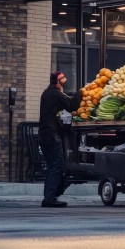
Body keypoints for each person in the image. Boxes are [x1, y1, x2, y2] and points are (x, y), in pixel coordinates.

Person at [39, 71, 82, 208]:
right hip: (50, 136)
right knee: (57, 165)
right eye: (63, 79)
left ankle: (49, 197)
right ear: (58, 81)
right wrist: (80, 93)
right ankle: (50, 198)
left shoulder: (48, 93)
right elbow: (71, 105)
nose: (65, 81)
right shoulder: (54, 94)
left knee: (53, 166)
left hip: (46, 134)